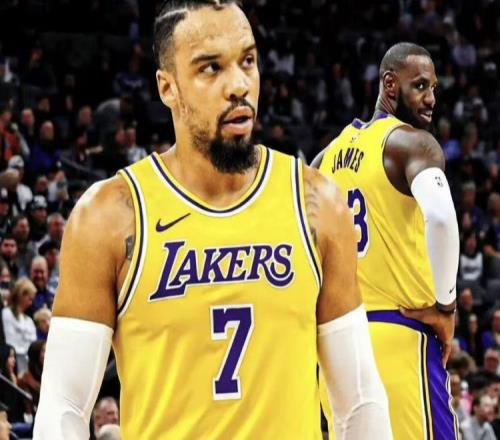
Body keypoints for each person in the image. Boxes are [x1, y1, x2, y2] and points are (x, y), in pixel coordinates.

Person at [34, 2, 391, 439]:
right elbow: (64, 406)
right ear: (168, 88)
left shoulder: (317, 203)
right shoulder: (109, 217)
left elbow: (359, 402)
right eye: (211, 68)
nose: (239, 85)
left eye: (248, 61)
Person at [313, 42, 460, 439]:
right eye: (421, 85)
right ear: (390, 84)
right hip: (400, 334)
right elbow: (441, 218)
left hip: (338, 354)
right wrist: (445, 307)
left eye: (433, 89)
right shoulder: (411, 143)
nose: (431, 99)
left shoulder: (323, 161)